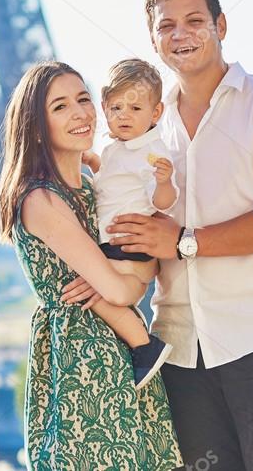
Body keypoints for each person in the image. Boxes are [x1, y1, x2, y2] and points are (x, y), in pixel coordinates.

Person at [106, 0, 253, 471]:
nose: (180, 34)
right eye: (167, 26)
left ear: (221, 25)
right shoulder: (148, 128)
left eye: (194, 21)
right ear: (154, 40)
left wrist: (183, 242)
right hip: (180, 349)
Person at [0, 61, 182, 470]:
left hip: (124, 360)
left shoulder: (93, 187)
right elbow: (124, 290)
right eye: (60, 106)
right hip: (83, 362)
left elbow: (143, 264)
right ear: (37, 124)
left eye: (83, 99)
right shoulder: (41, 200)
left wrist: (127, 278)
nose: (80, 113)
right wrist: (123, 284)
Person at [81, 57, 179, 387]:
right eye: (117, 107)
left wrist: (165, 182)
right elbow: (114, 185)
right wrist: (94, 162)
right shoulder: (115, 149)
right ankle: (132, 347)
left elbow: (160, 200)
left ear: (156, 114)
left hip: (126, 249)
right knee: (100, 300)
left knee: (95, 298)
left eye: (136, 109)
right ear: (105, 107)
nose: (124, 115)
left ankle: (145, 347)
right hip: (116, 246)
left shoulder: (152, 152)